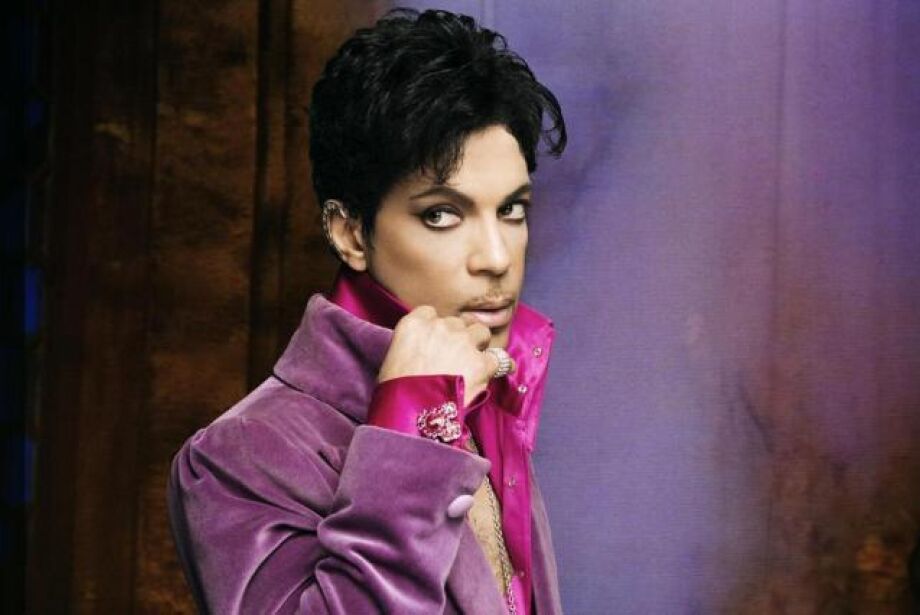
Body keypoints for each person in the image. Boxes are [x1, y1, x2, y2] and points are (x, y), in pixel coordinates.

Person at [167, 8, 567, 614]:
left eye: (511, 210)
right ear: (350, 232)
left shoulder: (487, 396)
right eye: (441, 214)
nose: (495, 257)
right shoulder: (239, 455)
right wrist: (411, 429)